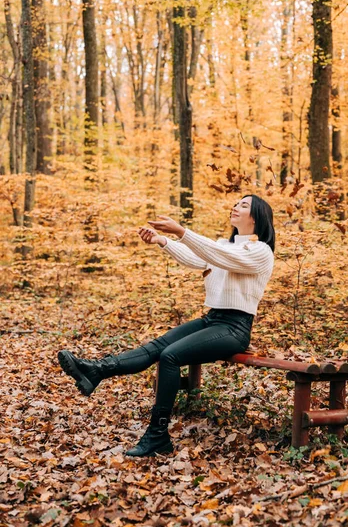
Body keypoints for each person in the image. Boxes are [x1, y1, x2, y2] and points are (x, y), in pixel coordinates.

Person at [58, 194, 275, 457]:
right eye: (236, 203)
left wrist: (182, 231)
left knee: (170, 356)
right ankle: (96, 370)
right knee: (157, 347)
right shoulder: (223, 246)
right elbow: (199, 258)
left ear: (257, 216)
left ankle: (157, 435)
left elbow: (220, 256)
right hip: (213, 319)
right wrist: (163, 241)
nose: (235, 206)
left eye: (243, 205)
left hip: (234, 328)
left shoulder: (261, 251)